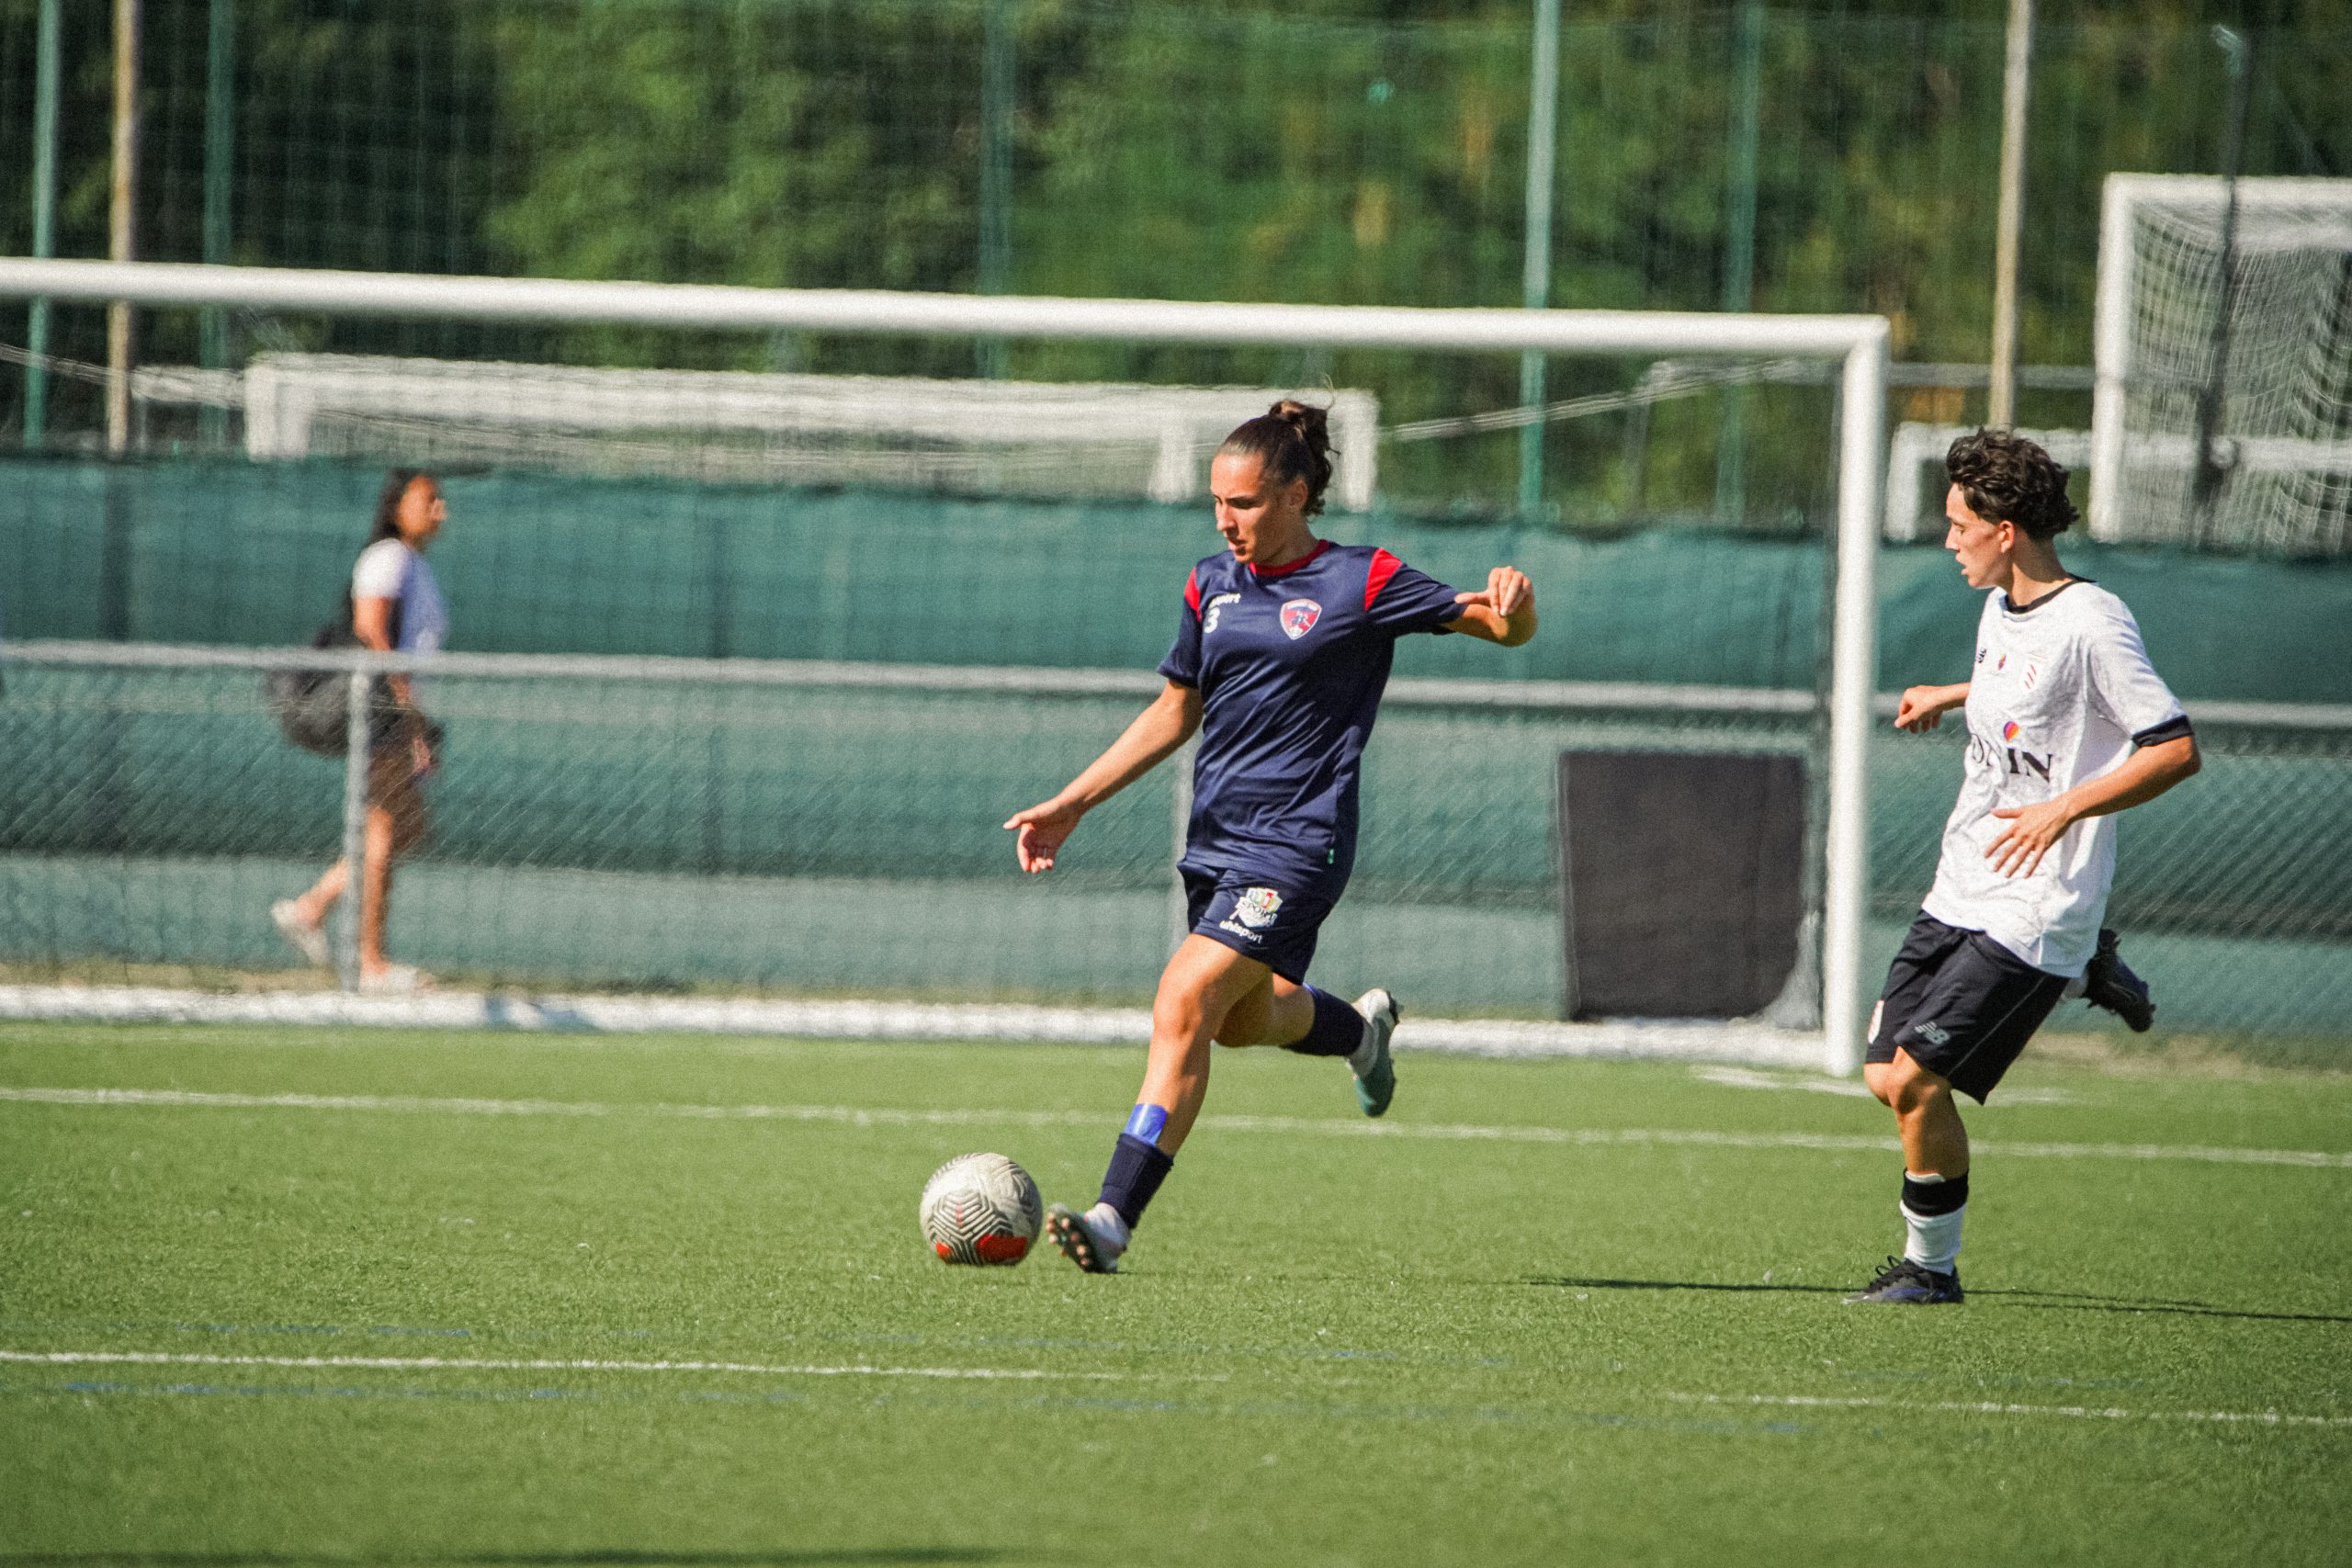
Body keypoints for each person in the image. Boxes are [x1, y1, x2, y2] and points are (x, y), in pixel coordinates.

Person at [1003, 400, 1537, 1274]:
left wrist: (1517, 608)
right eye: (1217, 502)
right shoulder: (1208, 584)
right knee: (1242, 1021)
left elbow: (1497, 624)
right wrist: (1073, 802)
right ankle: (1361, 1034)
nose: (1226, 519)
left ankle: (1112, 1217)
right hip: (1216, 841)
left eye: (1244, 503)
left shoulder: (1363, 580)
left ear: (1295, 494)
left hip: (1300, 843)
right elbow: (1178, 709)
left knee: (1182, 1001)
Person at [1849, 429, 2199, 1305]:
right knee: (1885, 1074)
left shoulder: (2095, 619)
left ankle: (1930, 1269)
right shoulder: (1998, 605)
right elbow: (2025, 682)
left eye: (1958, 523)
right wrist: (1952, 692)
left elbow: (2174, 748)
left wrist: (2061, 808)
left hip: (2039, 897)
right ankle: (2088, 970)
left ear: (2005, 528)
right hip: (1962, 878)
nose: (1947, 540)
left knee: (1923, 1082)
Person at [272, 469, 450, 993]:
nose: (440, 510)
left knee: (408, 828)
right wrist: (406, 708)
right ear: (397, 507)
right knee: (385, 828)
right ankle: (370, 962)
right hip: (378, 707)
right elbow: (372, 631)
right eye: (428, 500)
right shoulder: (388, 558)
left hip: (395, 709)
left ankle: (312, 908)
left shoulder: (414, 563)